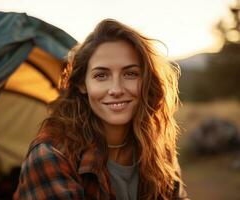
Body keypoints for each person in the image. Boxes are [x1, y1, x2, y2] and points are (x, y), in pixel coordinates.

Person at [14, 19, 188, 200]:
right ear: (82, 84)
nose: (116, 90)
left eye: (130, 74)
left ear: (145, 81)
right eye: (101, 75)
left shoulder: (155, 145)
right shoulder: (50, 155)